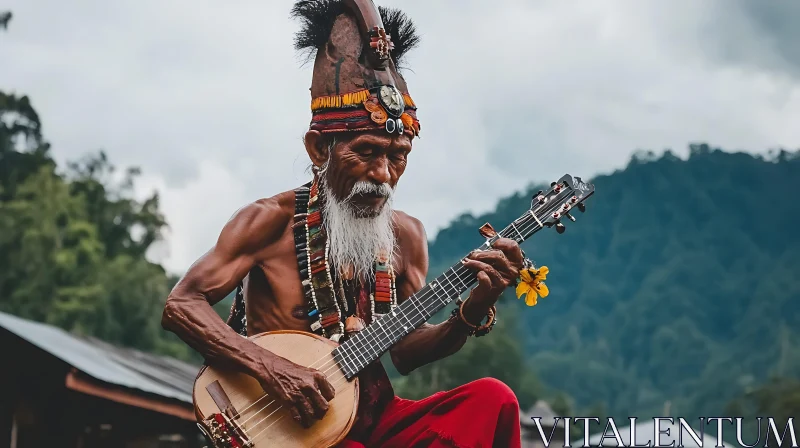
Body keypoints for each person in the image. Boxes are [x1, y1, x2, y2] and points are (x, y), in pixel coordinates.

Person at [161, 0, 525, 446]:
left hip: (373, 414)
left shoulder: (405, 237)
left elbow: (406, 353)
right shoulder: (268, 221)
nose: (383, 176)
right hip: (295, 430)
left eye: (397, 157)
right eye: (367, 152)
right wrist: (272, 368)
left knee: (493, 399)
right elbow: (182, 305)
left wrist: (472, 308)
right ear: (319, 149)